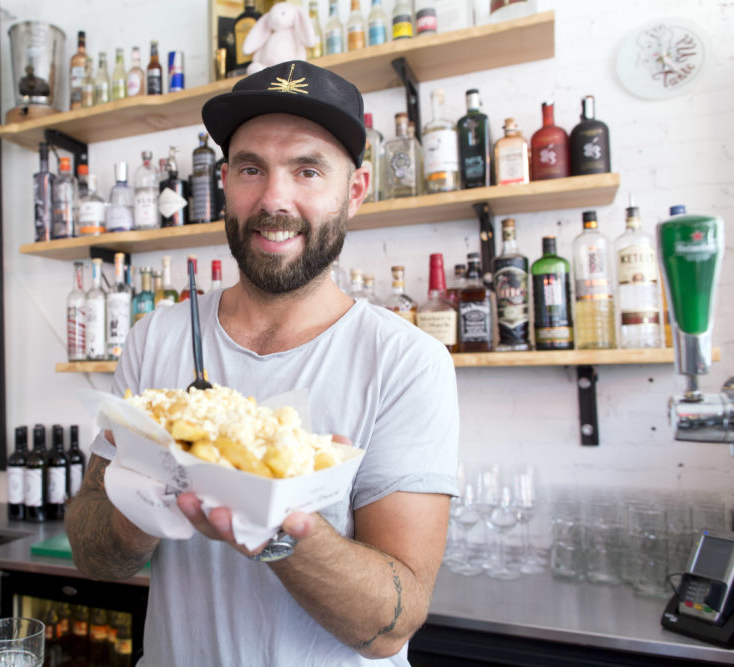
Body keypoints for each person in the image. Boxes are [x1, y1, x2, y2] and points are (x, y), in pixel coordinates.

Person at [65, 60, 459, 666]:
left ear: (354, 191)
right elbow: (93, 555)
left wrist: (275, 528)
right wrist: (148, 500)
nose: (274, 198)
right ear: (225, 181)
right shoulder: (157, 338)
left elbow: (390, 624)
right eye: (252, 169)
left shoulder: (408, 361)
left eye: (308, 169)